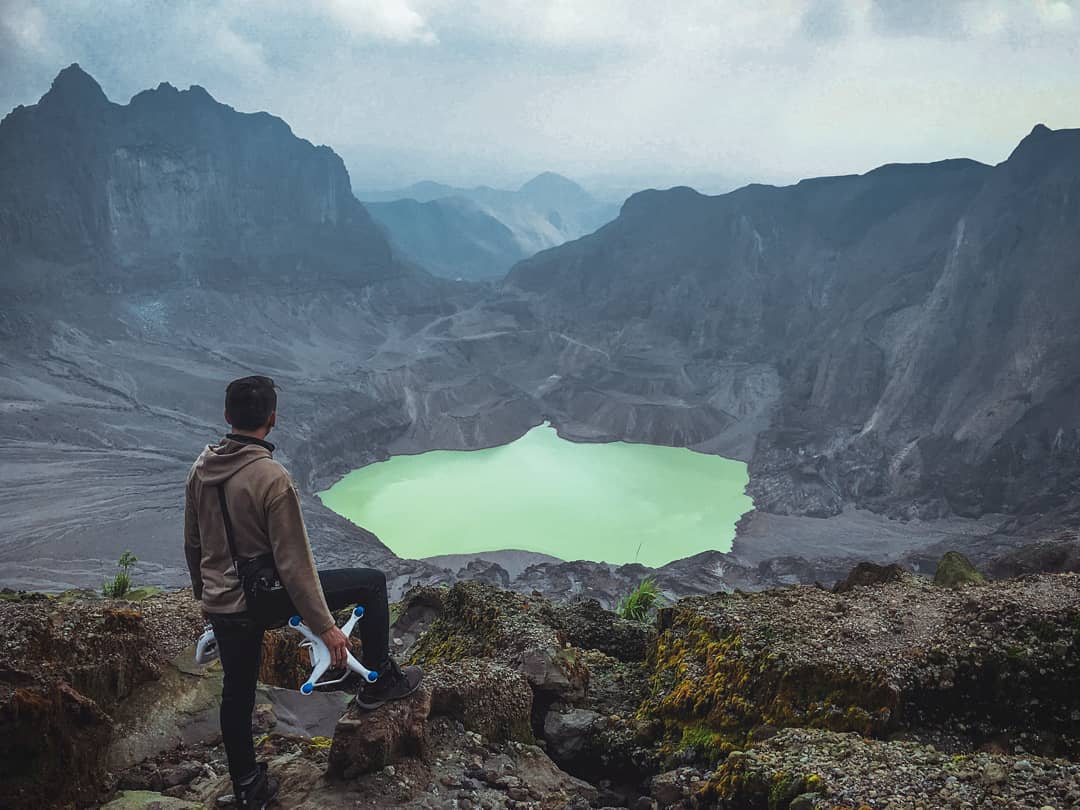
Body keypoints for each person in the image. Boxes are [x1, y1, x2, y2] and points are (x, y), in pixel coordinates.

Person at [184, 375, 422, 808]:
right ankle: (380, 680)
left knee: (236, 694)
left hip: (223, 602)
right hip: (266, 598)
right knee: (372, 582)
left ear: (226, 416)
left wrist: (208, 602)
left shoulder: (201, 470)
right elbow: (295, 566)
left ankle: (246, 787)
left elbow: (193, 545)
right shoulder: (271, 478)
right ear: (272, 420)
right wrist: (328, 628)